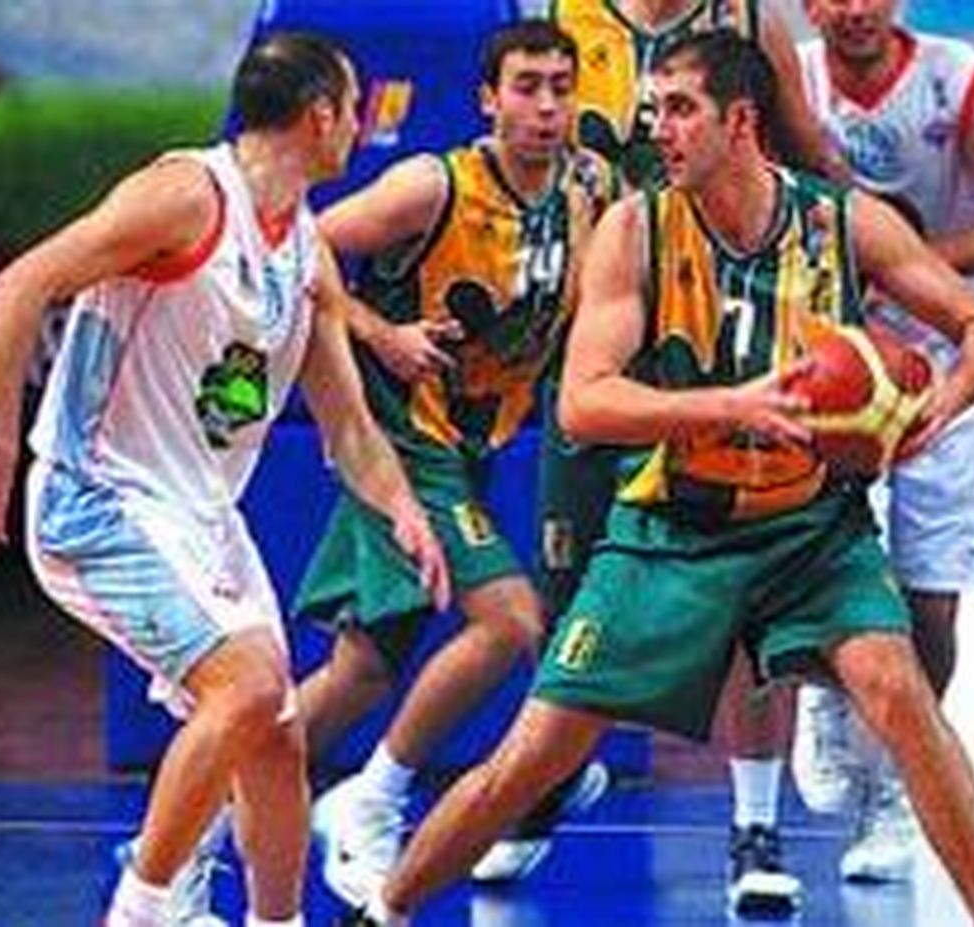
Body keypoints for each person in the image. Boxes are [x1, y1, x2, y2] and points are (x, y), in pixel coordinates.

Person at [339, 28, 974, 927]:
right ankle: (384, 908)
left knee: (900, 691)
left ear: (741, 120)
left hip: (813, 529)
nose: (655, 128)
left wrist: (937, 404)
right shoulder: (635, 228)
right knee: (533, 757)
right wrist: (728, 406)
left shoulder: (842, 222)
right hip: (672, 531)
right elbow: (584, 403)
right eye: (653, 108)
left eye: (679, 109)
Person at [0, 32, 449, 927]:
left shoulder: (305, 251)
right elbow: (18, 286)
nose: (363, 124)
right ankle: (141, 910)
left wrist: (405, 511)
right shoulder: (186, 196)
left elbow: (350, 428)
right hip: (98, 496)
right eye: (355, 106)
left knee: (275, 732)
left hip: (199, 515)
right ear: (321, 114)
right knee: (244, 691)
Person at [287, 20, 614, 908]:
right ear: (487, 99)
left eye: (560, 87)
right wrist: (380, 332)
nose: (546, 106)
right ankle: (374, 798)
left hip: (471, 447)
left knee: (361, 670)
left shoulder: (589, 185)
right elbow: (300, 245)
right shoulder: (431, 186)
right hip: (400, 441)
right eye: (526, 87)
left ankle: (185, 830)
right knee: (509, 621)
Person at [535, 1, 843, 909]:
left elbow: (812, 162)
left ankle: (755, 824)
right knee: (571, 594)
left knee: (749, 586)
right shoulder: (560, 14)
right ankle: (551, 780)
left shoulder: (749, 18)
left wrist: (847, 289)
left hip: (724, 327)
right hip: (597, 326)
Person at [782, 0, 974, 884]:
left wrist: (904, 260)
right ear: (810, 6)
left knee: (932, 601)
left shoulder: (952, 76)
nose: (856, 9)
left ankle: (897, 786)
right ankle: (826, 699)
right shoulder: (794, 80)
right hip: (833, 363)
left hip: (949, 364)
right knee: (824, 566)